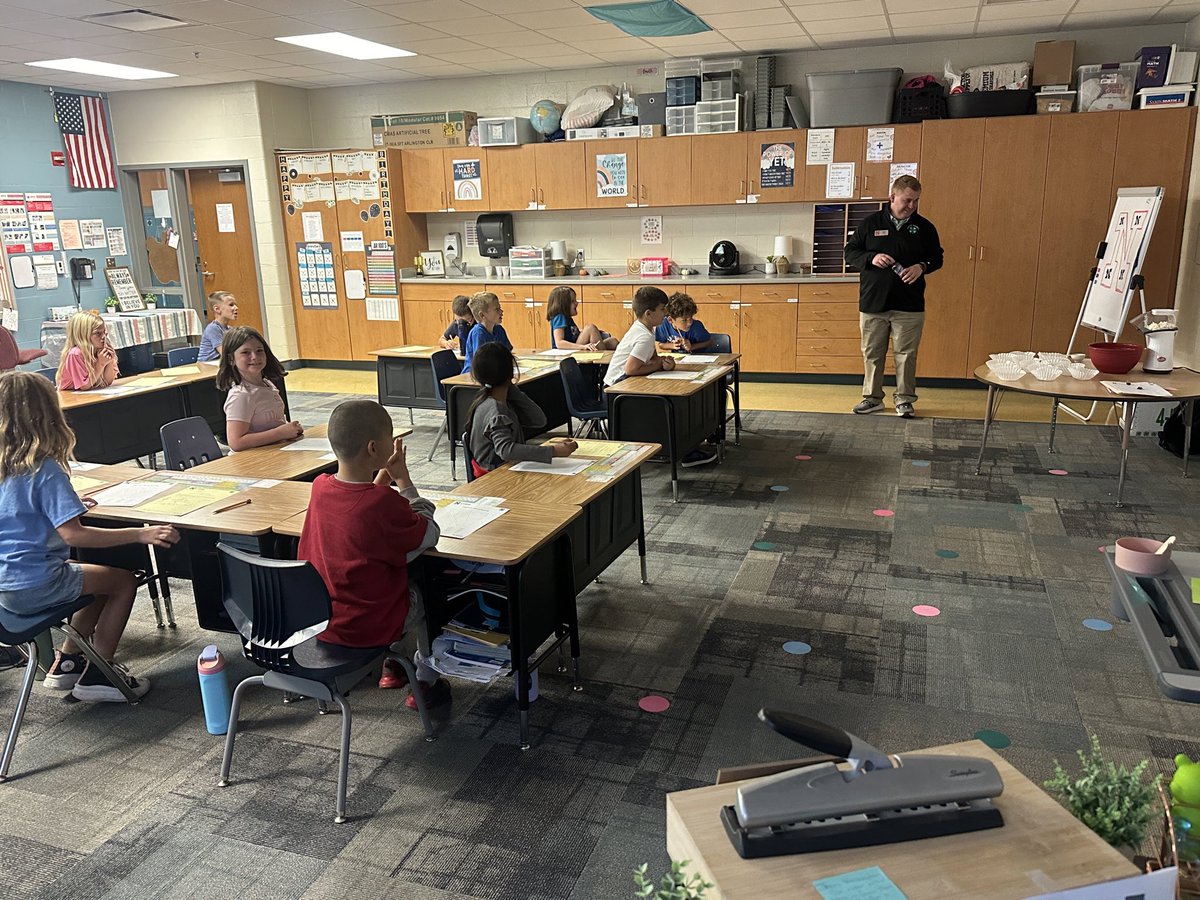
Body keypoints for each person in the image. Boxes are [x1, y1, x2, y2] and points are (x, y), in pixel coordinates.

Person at [0, 371, 178, 701]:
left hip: (6, 589)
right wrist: (140, 536)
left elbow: (20, 514)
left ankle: (68, 662)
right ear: (48, 414)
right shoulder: (44, 469)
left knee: (98, 582)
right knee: (123, 581)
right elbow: (73, 535)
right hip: (38, 583)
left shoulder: (5, 466)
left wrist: (69, 505)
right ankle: (102, 674)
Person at [297, 399, 449, 708]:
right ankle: (425, 680)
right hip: (368, 624)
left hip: (325, 618)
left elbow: (365, 505)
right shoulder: (381, 505)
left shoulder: (319, 486)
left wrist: (383, 478)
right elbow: (429, 529)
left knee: (390, 577)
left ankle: (393, 667)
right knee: (430, 591)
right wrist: (404, 479)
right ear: (373, 449)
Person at [844, 174, 943, 419]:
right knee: (872, 354)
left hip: (909, 305)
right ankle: (872, 398)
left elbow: (937, 257)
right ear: (892, 197)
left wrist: (922, 266)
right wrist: (871, 258)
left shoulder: (924, 228)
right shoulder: (870, 223)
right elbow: (850, 252)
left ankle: (905, 400)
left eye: (916, 201)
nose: (912, 206)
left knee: (906, 355)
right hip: (873, 303)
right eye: (907, 200)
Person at [605, 287, 716, 467]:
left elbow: (651, 358)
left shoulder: (646, 329)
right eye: (663, 310)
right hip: (618, 390)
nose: (666, 314)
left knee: (680, 396)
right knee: (675, 402)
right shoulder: (643, 335)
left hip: (623, 385)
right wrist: (658, 364)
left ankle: (687, 447)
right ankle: (684, 451)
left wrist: (663, 361)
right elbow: (631, 368)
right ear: (649, 313)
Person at [467, 342, 576, 477]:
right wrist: (553, 451)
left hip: (507, 469)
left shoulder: (498, 400)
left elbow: (539, 420)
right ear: (510, 372)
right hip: (496, 477)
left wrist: (512, 389)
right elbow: (506, 450)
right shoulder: (496, 411)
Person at [217, 326, 303, 451]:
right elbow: (236, 442)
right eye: (246, 352)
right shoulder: (241, 395)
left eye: (259, 351)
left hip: (273, 452)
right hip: (250, 462)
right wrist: (280, 433)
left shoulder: (267, 384)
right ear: (231, 359)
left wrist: (290, 430)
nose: (254, 357)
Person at [56, 312, 118, 390]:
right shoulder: (75, 354)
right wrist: (100, 364)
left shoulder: (102, 350)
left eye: (104, 333)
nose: (103, 337)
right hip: (72, 397)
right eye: (97, 333)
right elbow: (85, 386)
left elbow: (107, 382)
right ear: (83, 335)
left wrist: (108, 361)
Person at [545, 285, 617, 351]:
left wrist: (597, 333)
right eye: (573, 301)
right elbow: (559, 343)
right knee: (590, 328)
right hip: (566, 353)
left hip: (575, 347)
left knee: (613, 342)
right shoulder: (559, 317)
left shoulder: (568, 318)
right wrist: (583, 347)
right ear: (564, 304)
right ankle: (603, 363)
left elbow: (572, 334)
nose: (577, 303)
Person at [461, 291, 512, 376]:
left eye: (500, 308)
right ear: (482, 315)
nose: (501, 312)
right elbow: (481, 364)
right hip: (475, 377)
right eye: (497, 309)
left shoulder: (499, 329)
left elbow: (507, 354)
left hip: (494, 373)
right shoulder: (478, 333)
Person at [198, 291, 239, 362]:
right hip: (206, 367)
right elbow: (225, 354)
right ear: (217, 309)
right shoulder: (213, 328)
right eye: (231, 305)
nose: (236, 308)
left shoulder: (230, 329)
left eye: (235, 305)